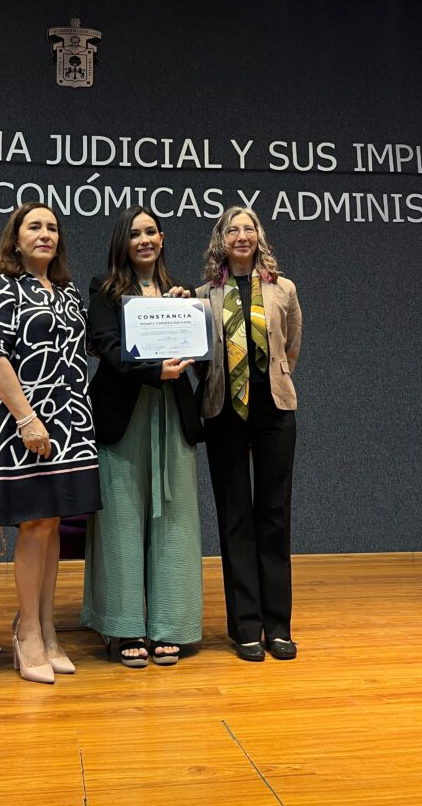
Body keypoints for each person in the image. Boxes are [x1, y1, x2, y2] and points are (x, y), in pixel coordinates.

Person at [0, 202, 102, 684]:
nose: (45, 234)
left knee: (53, 526)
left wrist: (164, 306)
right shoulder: (1, 286)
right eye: (35, 226)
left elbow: (97, 343)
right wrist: (28, 420)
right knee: (34, 525)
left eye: (52, 227)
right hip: (24, 426)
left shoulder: (68, 292)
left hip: (72, 426)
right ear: (16, 238)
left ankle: (48, 630)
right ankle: (27, 632)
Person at [81, 205, 203, 667]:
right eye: (135, 234)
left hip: (172, 413)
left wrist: (188, 314)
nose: (144, 240)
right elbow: (107, 347)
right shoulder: (104, 288)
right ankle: (125, 626)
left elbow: (198, 351)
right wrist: (156, 371)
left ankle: (171, 624)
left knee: (175, 518)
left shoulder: (180, 293)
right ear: (123, 242)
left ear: (163, 238)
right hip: (124, 416)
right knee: (121, 520)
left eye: (151, 231)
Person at [197, 207, 302, 662]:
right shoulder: (202, 296)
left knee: (274, 515)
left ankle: (277, 627)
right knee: (235, 516)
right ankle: (245, 627)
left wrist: (271, 378)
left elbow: (291, 345)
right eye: (233, 229)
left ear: (259, 236)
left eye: (249, 228)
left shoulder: (283, 289)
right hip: (224, 411)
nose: (242, 235)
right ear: (221, 240)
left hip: (274, 408)